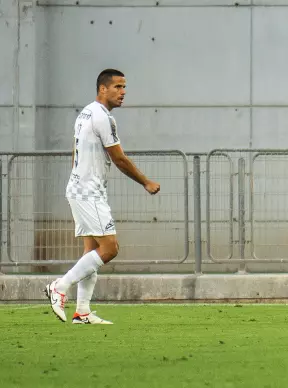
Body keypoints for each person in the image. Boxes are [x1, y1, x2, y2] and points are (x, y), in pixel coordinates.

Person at [45, 69, 161, 324]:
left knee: (92, 251)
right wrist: (146, 182)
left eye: (124, 87)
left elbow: (75, 152)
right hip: (88, 192)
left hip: (79, 188)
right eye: (118, 87)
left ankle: (82, 312)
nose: (123, 92)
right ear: (102, 89)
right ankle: (60, 287)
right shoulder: (103, 117)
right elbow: (118, 158)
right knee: (109, 249)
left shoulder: (85, 112)